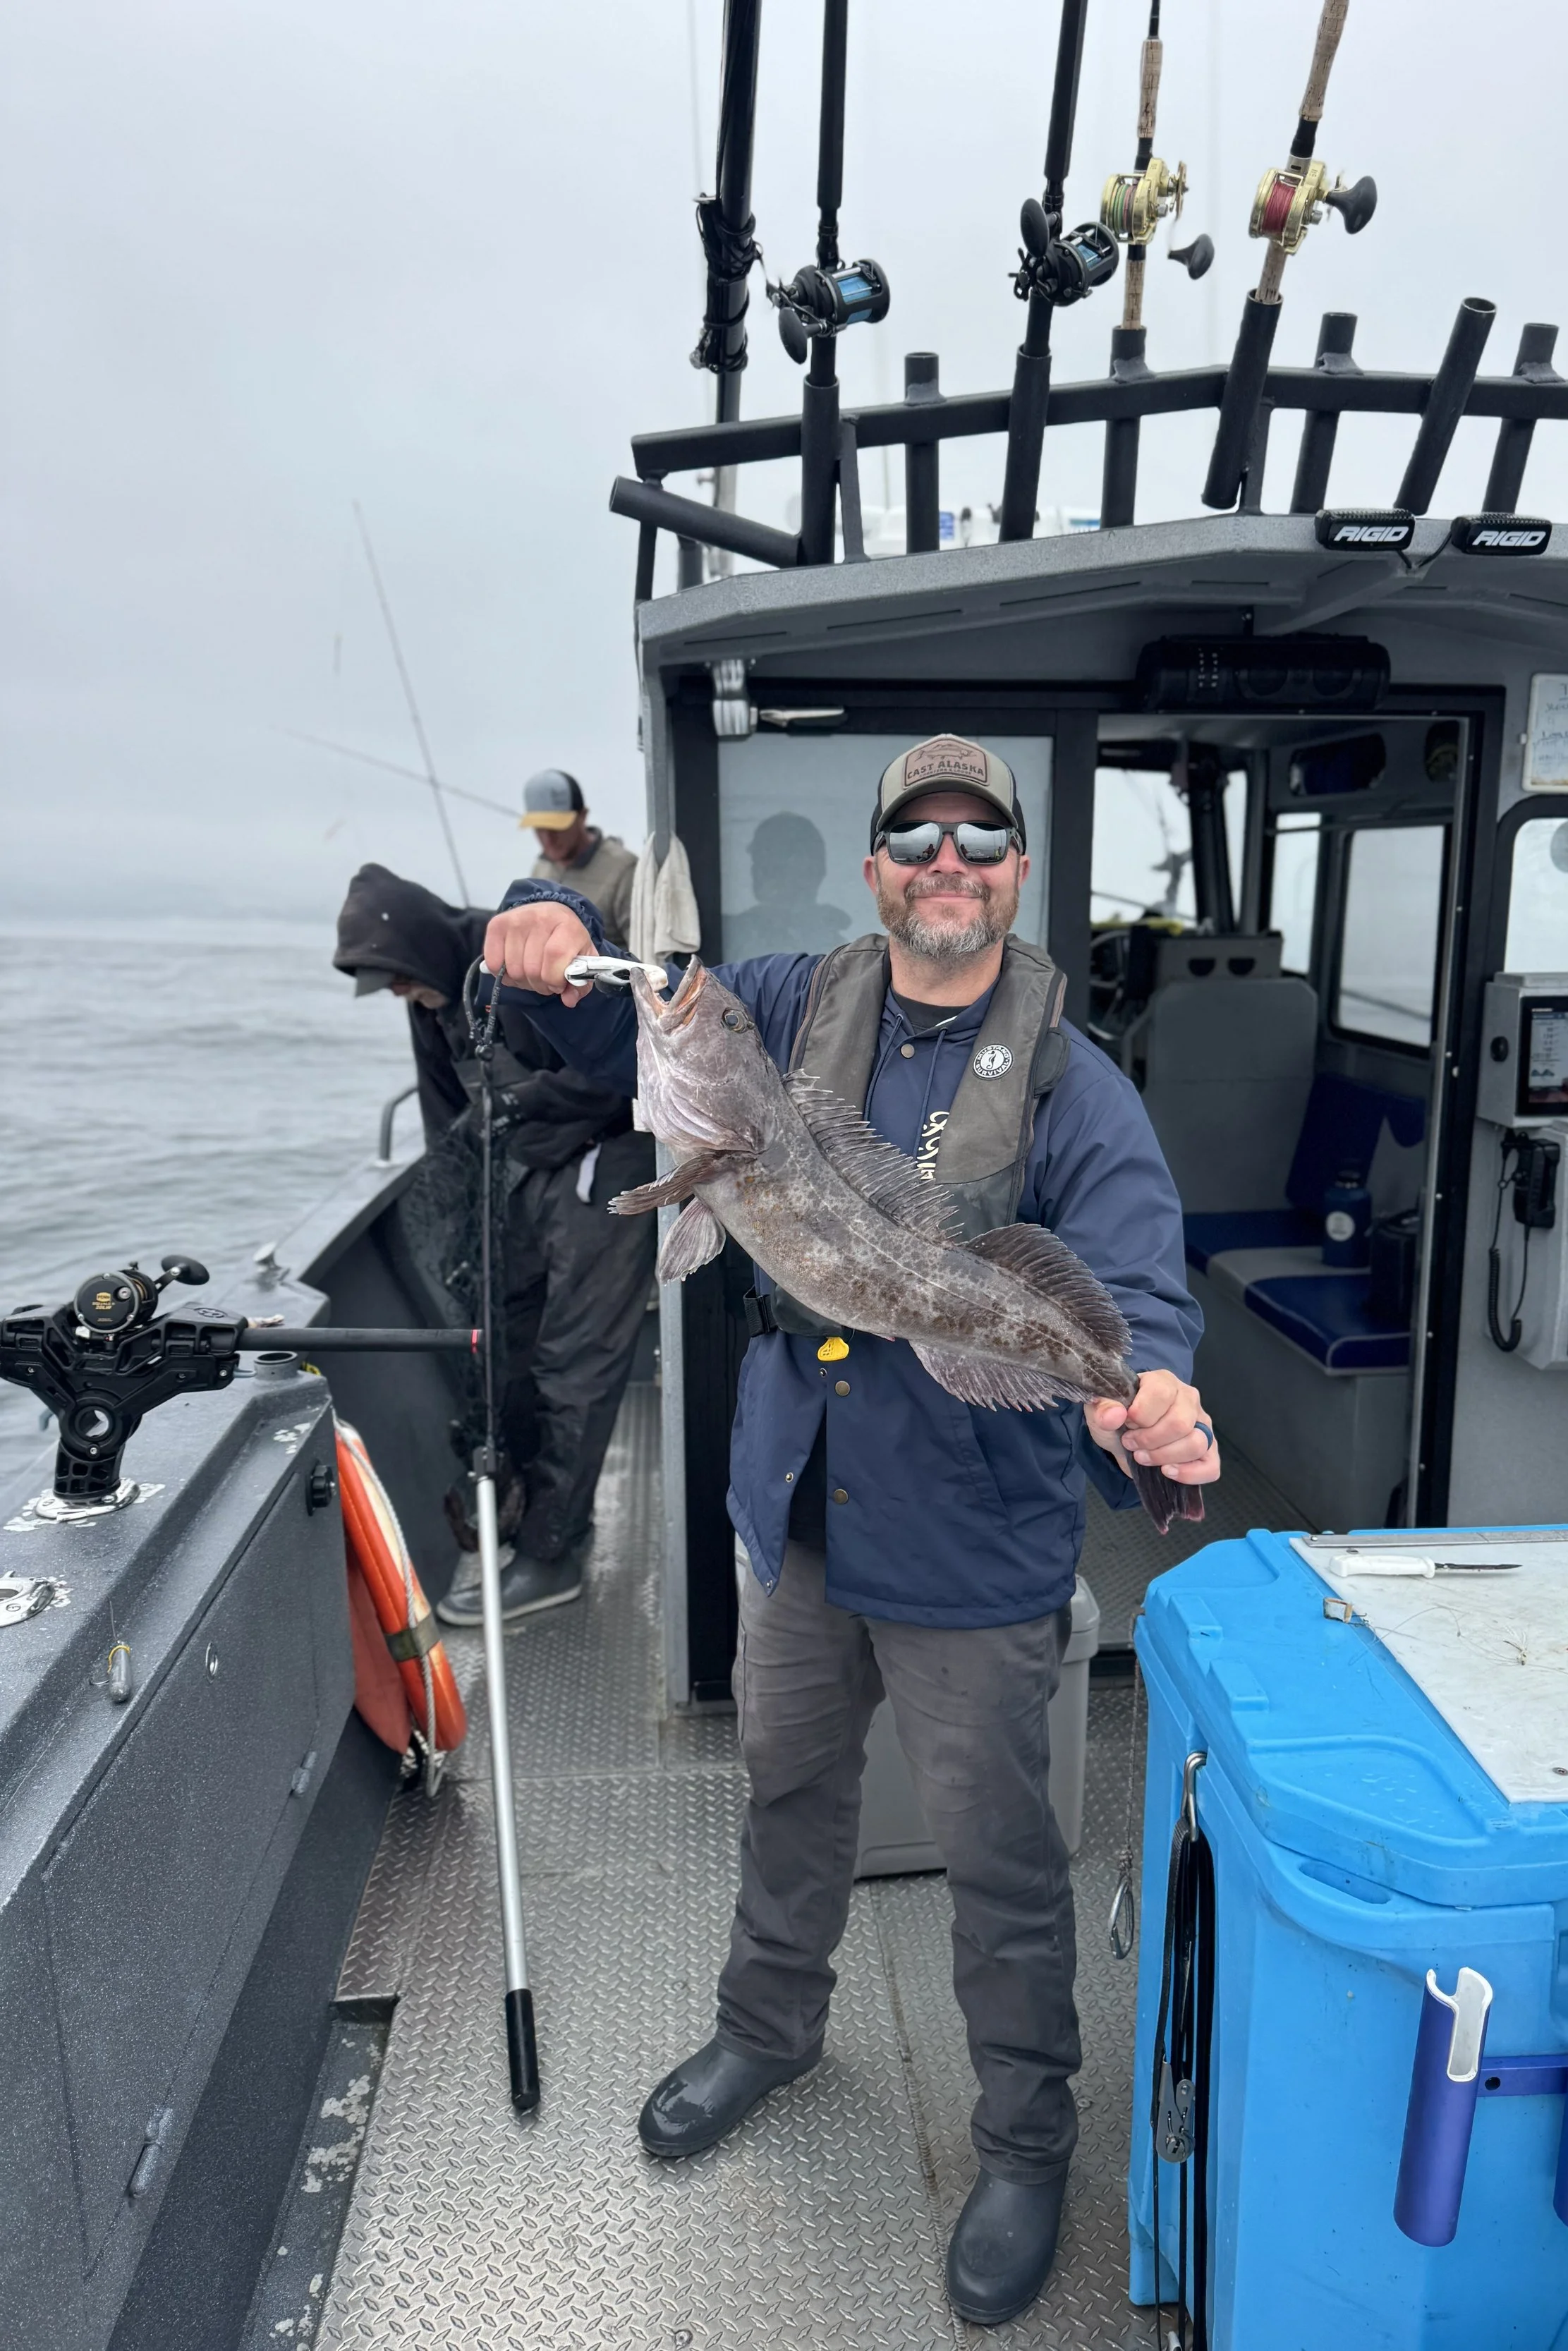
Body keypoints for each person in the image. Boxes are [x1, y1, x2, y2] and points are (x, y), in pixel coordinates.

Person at [481, 737, 1217, 2327]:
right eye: (913, 834)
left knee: (1003, 1861)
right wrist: (544, 925)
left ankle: (1024, 2140)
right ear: (876, 865)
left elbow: (1138, 1286)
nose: (945, 860)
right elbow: (623, 990)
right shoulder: (770, 1004)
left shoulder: (1076, 1089)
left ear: (1015, 872)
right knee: (787, 1786)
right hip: (798, 1511)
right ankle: (770, 2023)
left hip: (972, 1539)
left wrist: (1147, 1392)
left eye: (980, 838)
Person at [332, 862, 658, 1622]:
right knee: (504, 1345)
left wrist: (521, 1101)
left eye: (397, 980)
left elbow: (618, 1065)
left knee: (575, 1359)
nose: (399, 996)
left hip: (603, 1160)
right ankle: (526, 1515)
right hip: (522, 1170)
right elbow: (448, 1111)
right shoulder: (428, 999)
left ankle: (553, 1554)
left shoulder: (521, 957)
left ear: (418, 951)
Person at [520, 769, 637, 944]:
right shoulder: (541, 867)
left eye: (556, 828)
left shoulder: (625, 870)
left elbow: (644, 950)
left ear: (582, 816)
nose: (548, 839)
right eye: (539, 829)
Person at [722, 809, 850, 957]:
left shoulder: (835, 945)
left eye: (770, 863)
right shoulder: (732, 933)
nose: (756, 871)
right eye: (758, 861)